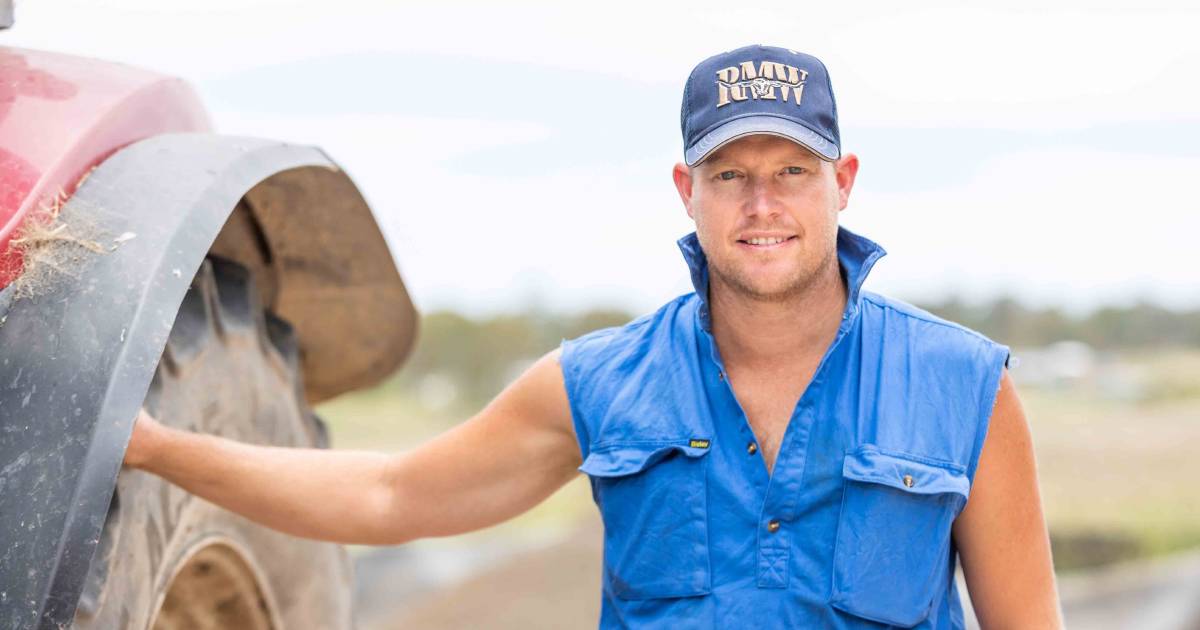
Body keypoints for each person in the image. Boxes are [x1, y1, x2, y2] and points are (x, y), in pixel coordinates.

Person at [125, 45, 1063, 628]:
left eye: (793, 170)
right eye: (729, 175)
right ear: (684, 191)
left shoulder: (963, 385)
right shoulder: (601, 384)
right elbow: (385, 495)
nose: (763, 203)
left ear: (844, 181)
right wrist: (156, 447)